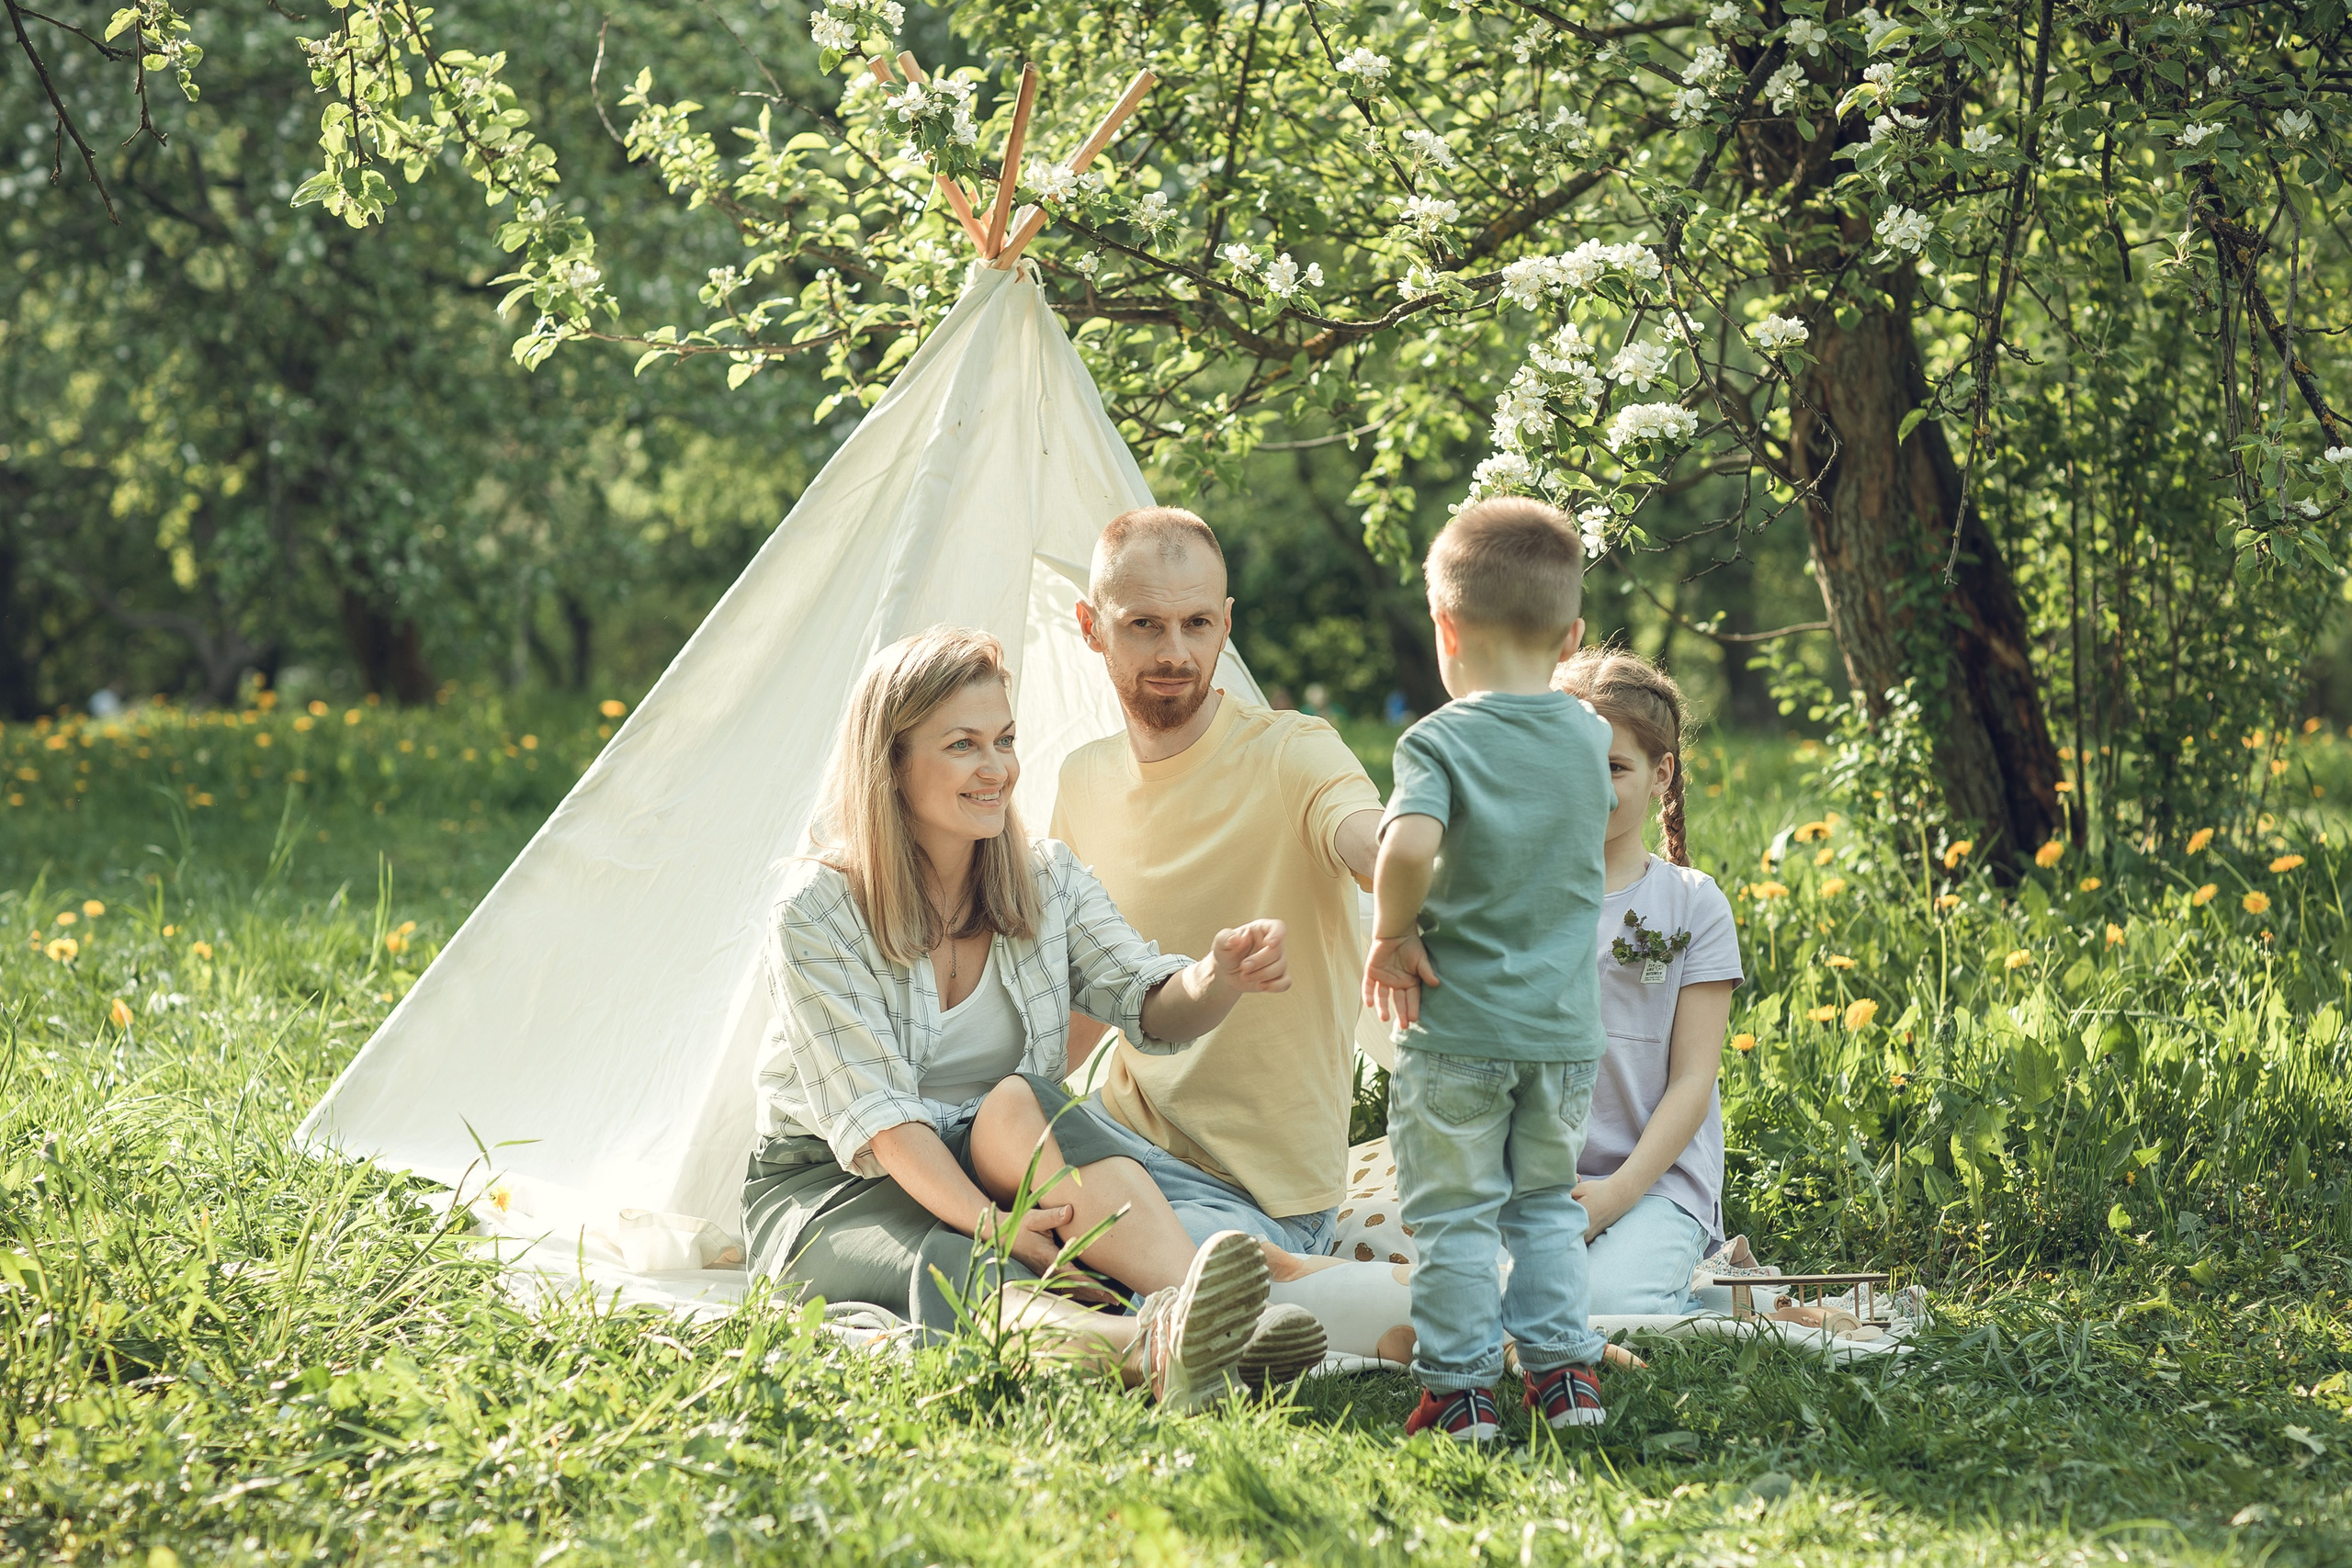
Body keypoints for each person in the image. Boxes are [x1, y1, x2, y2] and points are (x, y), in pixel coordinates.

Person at [743, 626, 1325, 1407]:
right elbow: (883, 1122)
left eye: (1006, 740)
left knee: (1034, 1104)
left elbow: (1151, 1004)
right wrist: (993, 1225)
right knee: (957, 1254)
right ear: (891, 763)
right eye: (963, 745)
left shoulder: (1045, 879)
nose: (997, 770)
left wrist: (1216, 978)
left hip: (996, 1154)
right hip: (838, 1183)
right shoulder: (817, 911)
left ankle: (1208, 1311)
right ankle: (1147, 1351)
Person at [1049, 508, 1383, 1254]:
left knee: (1135, 1277)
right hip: (1119, 1140)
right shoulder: (1082, 779)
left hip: (1262, 1194)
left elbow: (1368, 837)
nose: (1176, 652)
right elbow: (1084, 998)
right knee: (975, 1218)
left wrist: (1408, 869)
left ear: (1225, 624)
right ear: (1091, 624)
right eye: (1144, 625)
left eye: (1197, 623)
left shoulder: (1296, 751)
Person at [1364, 498, 1615, 1443]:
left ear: (1445, 627)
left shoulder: (1439, 740)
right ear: (1571, 636)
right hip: (1560, 1035)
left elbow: (1407, 847)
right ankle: (1565, 1382)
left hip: (1459, 1028)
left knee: (1455, 1221)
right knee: (1546, 1207)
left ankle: (1461, 1392)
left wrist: (1392, 932)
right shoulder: (1591, 739)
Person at [1554, 649, 1741, 1315]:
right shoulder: (1520, 898)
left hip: (1658, 1181)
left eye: (1612, 768)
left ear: (1661, 773)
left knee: (1602, 1303)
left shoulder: (1693, 904)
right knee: (1479, 1297)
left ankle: (1720, 1284)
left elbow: (1694, 1079)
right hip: (1543, 1179)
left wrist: (1615, 1194)